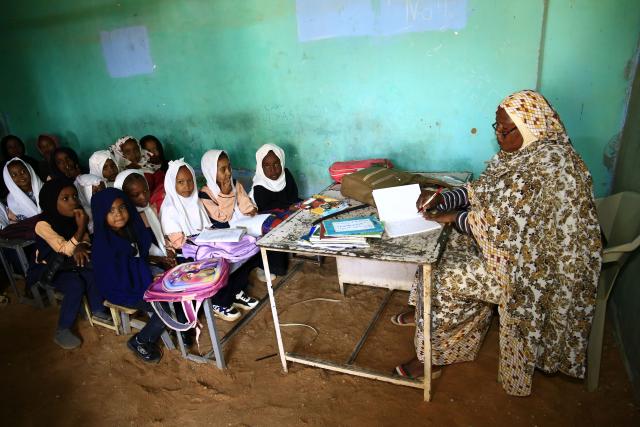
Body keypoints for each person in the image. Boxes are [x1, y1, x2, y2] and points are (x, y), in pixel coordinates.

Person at [393, 90, 602, 397]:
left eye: (507, 129)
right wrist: (445, 197)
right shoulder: (524, 154)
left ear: (531, 125)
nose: (500, 135)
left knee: (439, 273)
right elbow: (486, 191)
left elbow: (508, 230)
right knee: (445, 246)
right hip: (514, 253)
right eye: (497, 127)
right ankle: (429, 316)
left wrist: (456, 219)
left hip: (534, 274)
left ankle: (434, 354)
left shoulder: (550, 165)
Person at [161, 158, 257, 321]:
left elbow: (206, 227)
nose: (187, 186)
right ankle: (219, 302)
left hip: (202, 244)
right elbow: (178, 243)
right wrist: (206, 239)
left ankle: (235, 291)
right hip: (186, 253)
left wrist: (212, 237)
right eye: (181, 182)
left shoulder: (195, 201)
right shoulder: (170, 208)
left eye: (190, 181)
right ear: (172, 184)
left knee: (243, 247)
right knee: (222, 258)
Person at [27, 179, 111, 349]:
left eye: (74, 196)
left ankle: (97, 309)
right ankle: (63, 329)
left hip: (68, 262)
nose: (73, 202)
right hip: (50, 267)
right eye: (65, 199)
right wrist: (80, 229)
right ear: (51, 202)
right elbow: (63, 250)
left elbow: (86, 240)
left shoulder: (74, 215)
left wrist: (81, 243)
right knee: (75, 284)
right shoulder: (42, 225)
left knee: (92, 270)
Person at [91, 188, 172, 362]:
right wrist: (149, 286)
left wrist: (152, 274)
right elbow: (117, 278)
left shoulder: (130, 228)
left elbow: (138, 255)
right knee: (166, 307)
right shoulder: (103, 244)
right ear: (100, 214)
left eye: (122, 208)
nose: (118, 214)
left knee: (174, 283)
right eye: (110, 211)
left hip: (139, 276)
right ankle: (140, 341)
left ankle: (181, 329)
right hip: (122, 289)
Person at [250, 143, 301, 276]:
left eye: (276, 164)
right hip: (265, 215)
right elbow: (265, 207)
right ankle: (269, 267)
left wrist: (293, 206)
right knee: (276, 226)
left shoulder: (286, 175)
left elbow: (293, 196)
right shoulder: (259, 186)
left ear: (282, 162)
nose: (273, 170)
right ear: (261, 167)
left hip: (285, 209)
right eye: (267, 166)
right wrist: (288, 208)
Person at [114, 169, 176, 270]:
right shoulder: (123, 221)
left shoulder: (149, 210)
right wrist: (159, 259)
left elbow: (158, 237)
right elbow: (133, 254)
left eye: (146, 190)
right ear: (123, 196)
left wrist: (167, 249)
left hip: (162, 257)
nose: (143, 197)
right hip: (145, 265)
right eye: (135, 195)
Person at [2, 158, 43, 223]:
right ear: (9, 179)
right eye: (14, 175)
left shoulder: (44, 188)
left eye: (23, 171)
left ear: (29, 170)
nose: (20, 176)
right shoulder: (12, 200)